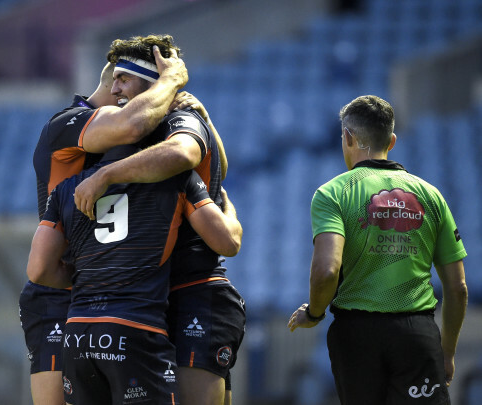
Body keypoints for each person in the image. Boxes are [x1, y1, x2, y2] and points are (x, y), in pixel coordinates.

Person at [73, 34, 246, 405]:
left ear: (152, 81)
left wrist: (106, 175)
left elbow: (187, 155)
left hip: (196, 291)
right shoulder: (150, 128)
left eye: (123, 78)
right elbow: (217, 167)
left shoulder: (178, 120)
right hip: (156, 297)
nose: (113, 87)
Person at [20, 45, 188, 405]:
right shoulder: (67, 123)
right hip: (58, 292)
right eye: (121, 79)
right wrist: (171, 80)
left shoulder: (114, 138)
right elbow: (132, 124)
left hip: (97, 294)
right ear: (115, 80)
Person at [27, 144, 242, 405]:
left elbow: (38, 270)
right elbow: (228, 243)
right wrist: (228, 208)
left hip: (79, 333)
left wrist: (82, 276)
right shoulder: (177, 175)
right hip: (136, 329)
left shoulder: (66, 188)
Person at [287, 95, 468, 405]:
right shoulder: (431, 196)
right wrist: (447, 352)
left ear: (347, 137)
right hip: (417, 335)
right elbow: (458, 288)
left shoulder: (333, 193)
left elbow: (326, 270)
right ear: (392, 141)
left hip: (356, 337)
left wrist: (315, 313)